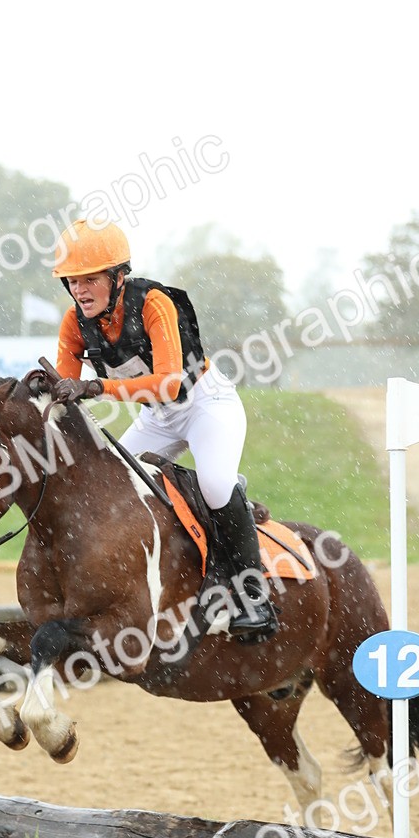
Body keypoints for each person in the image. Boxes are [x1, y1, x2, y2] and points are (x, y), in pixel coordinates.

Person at [51, 218, 277, 641]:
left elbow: (171, 383)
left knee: (213, 485)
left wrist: (96, 385)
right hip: (156, 417)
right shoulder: (73, 322)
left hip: (206, 404)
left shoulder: (154, 303)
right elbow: (66, 390)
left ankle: (253, 596)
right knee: (108, 484)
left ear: (119, 277)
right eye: (72, 281)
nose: (80, 290)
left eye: (90, 279)